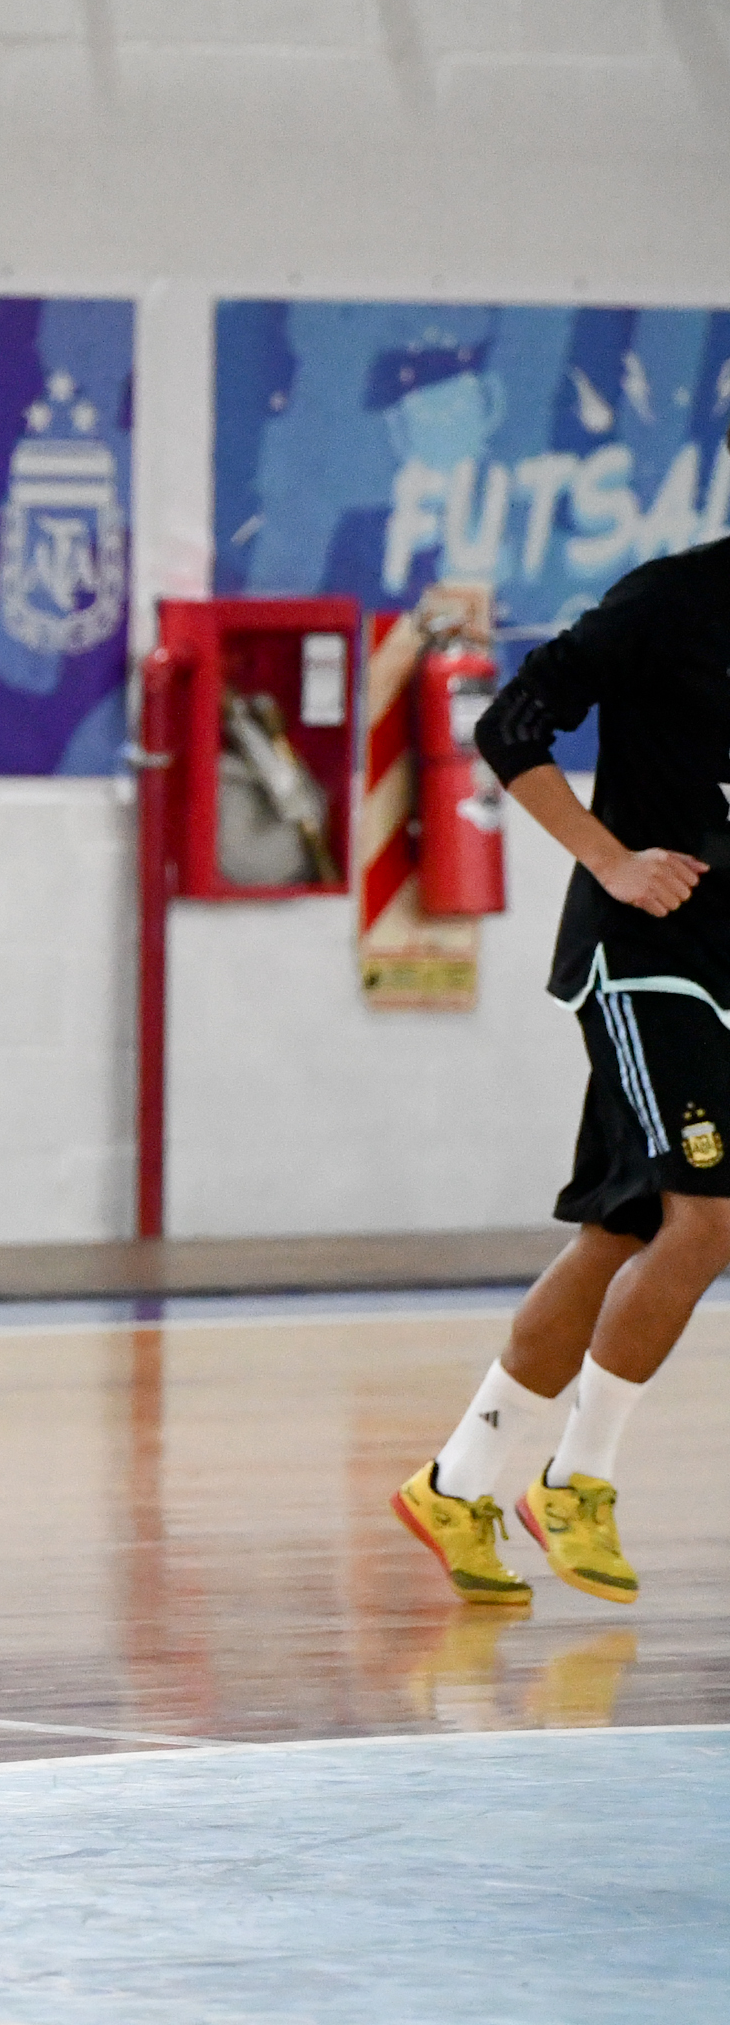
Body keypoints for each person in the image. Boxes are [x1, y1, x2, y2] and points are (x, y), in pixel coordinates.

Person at [393, 544, 730, 1608]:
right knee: (709, 1220)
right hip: (645, 955)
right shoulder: (670, 599)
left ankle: (458, 1482)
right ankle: (577, 1479)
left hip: (723, 965)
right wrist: (611, 858)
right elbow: (511, 726)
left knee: (622, 1232)